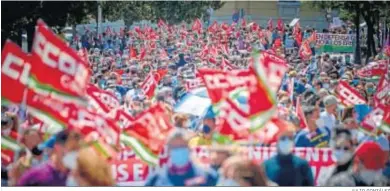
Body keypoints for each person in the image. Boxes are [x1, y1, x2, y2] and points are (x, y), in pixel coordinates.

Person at [144, 129, 218, 186]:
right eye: (175, 147)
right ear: (169, 150)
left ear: (189, 148)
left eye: (182, 146)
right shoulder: (156, 179)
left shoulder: (207, 176)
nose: (179, 150)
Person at [17, 130, 82, 186]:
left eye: (78, 149)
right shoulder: (37, 176)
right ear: (58, 147)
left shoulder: (79, 179)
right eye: (72, 149)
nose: (75, 153)